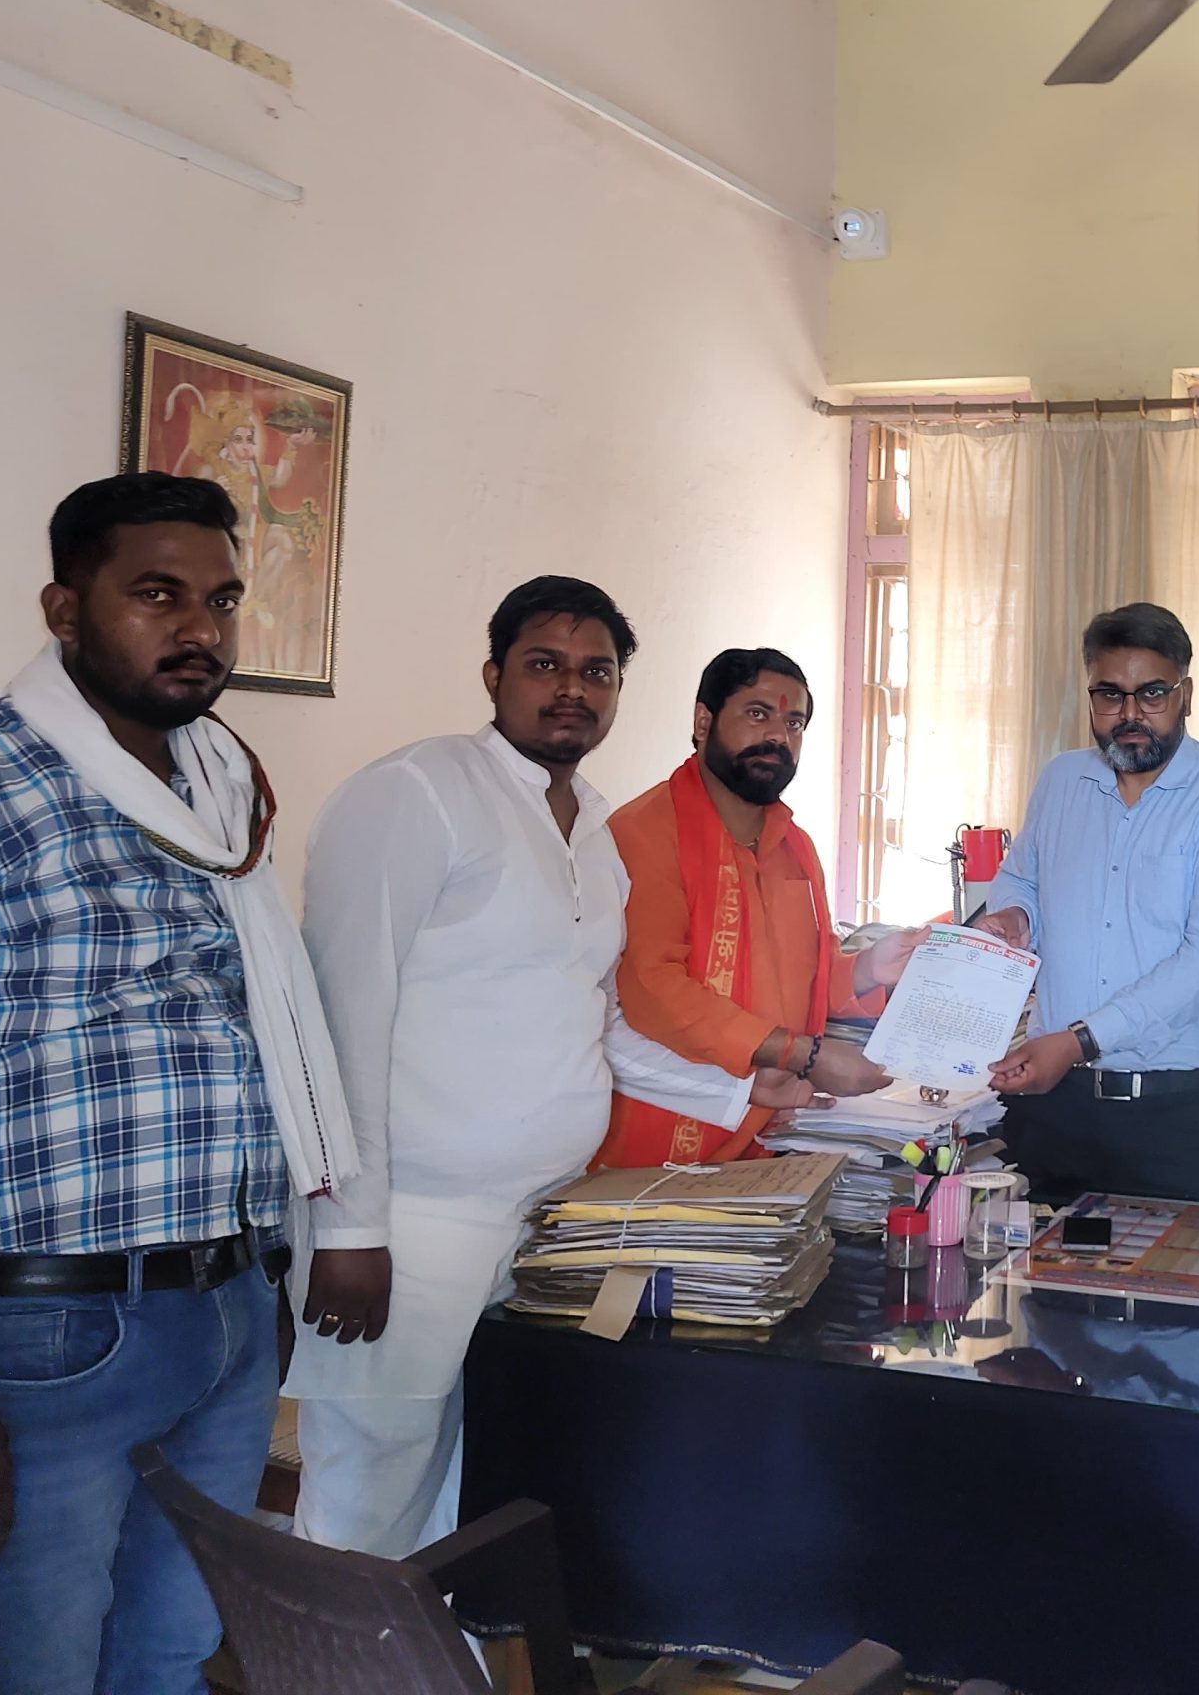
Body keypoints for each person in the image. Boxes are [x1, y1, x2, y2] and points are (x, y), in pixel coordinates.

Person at [0, 473, 355, 1694]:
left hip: (225, 1307)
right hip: (55, 1335)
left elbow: (245, 1043)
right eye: (156, 595)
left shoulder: (219, 793)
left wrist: (266, 1270)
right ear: (65, 609)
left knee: (171, 1655)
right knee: (29, 1666)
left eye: (222, 599)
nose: (200, 628)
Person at [285, 581, 811, 1555]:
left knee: (476, 1484)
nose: (572, 688)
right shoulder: (417, 793)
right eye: (545, 664)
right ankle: (332, 1641)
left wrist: (736, 1088)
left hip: (540, 1224)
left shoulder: (593, 831)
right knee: (367, 1494)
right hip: (411, 1224)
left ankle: (442, 1644)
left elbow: (594, 1022)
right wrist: (346, 1229)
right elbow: (334, 1018)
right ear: (493, 676)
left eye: (596, 671)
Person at [980, 604, 1199, 1202]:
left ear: (1185, 694)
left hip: (1178, 1119)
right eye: (1110, 695)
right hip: (1054, 1112)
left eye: (1152, 694)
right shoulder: (1061, 781)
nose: (1130, 714)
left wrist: (1079, 1040)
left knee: (1181, 1270)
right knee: (1039, 1266)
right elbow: (1021, 878)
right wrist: (1015, 914)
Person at [595, 647, 917, 1166]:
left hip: (769, 1136)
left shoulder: (795, 846)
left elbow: (802, 978)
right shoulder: (642, 834)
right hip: (660, 1142)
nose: (778, 737)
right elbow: (653, 990)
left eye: (794, 723)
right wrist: (802, 1055)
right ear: (703, 721)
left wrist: (869, 969)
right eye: (757, 713)